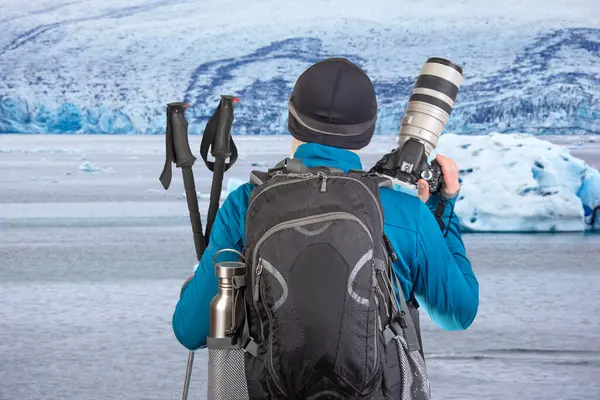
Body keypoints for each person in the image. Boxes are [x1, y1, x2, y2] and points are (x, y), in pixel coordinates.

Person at [172, 57, 479, 352]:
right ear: (367, 132)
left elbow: (190, 331)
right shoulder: (406, 213)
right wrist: (444, 207)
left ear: (292, 119)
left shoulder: (246, 205)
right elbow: (457, 314)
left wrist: (197, 287)